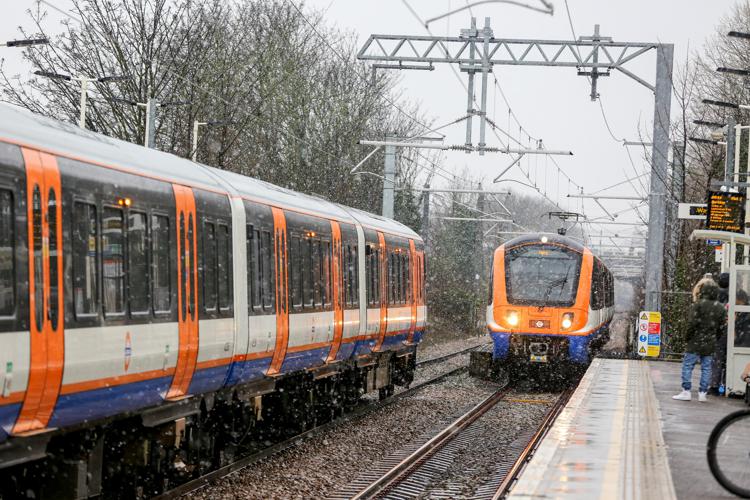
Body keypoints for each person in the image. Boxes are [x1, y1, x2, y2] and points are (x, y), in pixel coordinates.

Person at [673, 283, 727, 402]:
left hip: (695, 341)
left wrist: (687, 337)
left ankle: (686, 391)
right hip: (710, 341)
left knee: (688, 365)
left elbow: (692, 324)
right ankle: (702, 393)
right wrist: (715, 337)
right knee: (706, 368)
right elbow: (722, 327)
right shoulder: (720, 307)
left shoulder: (698, 305)